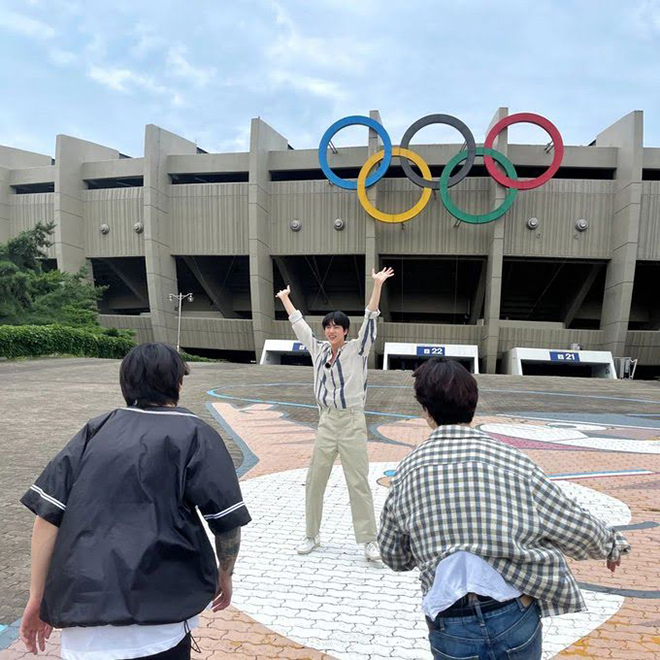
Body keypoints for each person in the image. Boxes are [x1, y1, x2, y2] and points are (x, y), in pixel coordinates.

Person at [377, 358, 630, 660]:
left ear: (426, 410)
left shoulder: (407, 471)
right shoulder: (510, 458)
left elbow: (394, 556)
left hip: (449, 618)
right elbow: (566, 518)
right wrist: (610, 545)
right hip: (514, 612)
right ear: (473, 403)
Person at [19, 343, 251, 660]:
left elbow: (47, 517)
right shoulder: (195, 432)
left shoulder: (95, 430)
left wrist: (37, 597)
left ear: (125, 383)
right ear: (178, 382)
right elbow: (226, 521)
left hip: (83, 622)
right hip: (162, 619)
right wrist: (225, 573)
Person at [275, 267, 394, 561]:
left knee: (358, 482)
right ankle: (311, 535)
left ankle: (369, 540)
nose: (331, 330)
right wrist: (285, 299)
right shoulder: (317, 349)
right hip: (326, 421)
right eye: (327, 326)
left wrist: (377, 285)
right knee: (315, 479)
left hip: (352, 421)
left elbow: (370, 320)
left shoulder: (358, 350)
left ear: (345, 330)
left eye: (336, 327)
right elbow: (299, 325)